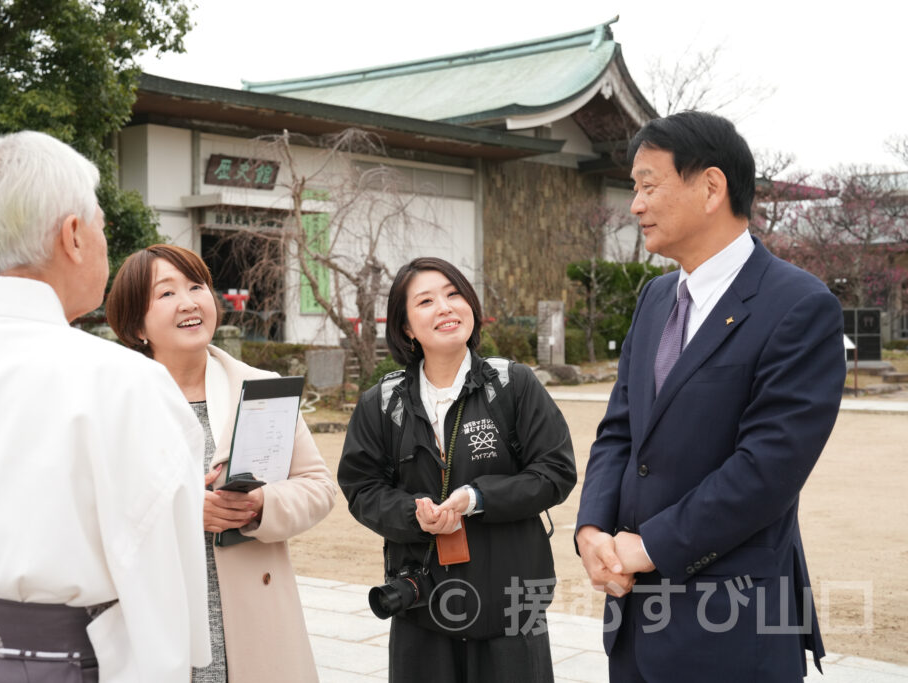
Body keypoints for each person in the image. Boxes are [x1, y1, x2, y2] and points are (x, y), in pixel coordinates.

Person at [0, 132, 211, 682]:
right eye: (103, 227)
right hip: (54, 666)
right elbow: (159, 587)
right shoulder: (126, 383)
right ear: (74, 236)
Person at [575, 111, 847, 682]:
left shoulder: (798, 306)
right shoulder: (654, 299)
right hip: (633, 619)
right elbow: (621, 430)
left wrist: (647, 547)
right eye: (635, 189)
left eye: (649, 185)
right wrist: (593, 530)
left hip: (732, 626)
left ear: (711, 187)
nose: (636, 205)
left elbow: (765, 472)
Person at [338, 256, 576, 683]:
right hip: (422, 605)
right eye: (426, 301)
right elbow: (361, 487)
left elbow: (555, 471)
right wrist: (414, 513)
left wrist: (477, 498)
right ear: (407, 326)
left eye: (453, 294)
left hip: (510, 603)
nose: (445, 307)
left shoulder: (513, 384)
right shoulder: (382, 402)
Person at [106, 243, 336, 683]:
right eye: (166, 293)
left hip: (253, 614)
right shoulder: (115, 403)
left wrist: (260, 505)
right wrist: (185, 507)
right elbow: (90, 504)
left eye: (197, 286)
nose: (189, 302)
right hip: (154, 613)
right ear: (136, 324)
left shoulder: (262, 388)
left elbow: (318, 486)